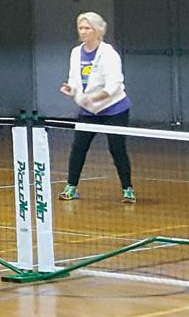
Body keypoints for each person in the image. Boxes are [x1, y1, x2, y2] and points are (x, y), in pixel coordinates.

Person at [58, 11, 136, 203]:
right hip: (88, 110)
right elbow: (74, 79)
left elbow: (114, 84)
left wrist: (97, 97)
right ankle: (71, 187)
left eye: (87, 28)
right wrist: (71, 89)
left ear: (98, 30)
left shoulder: (109, 54)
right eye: (80, 28)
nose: (83, 32)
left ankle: (128, 189)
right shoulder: (76, 52)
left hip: (113, 108)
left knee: (117, 148)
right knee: (79, 147)